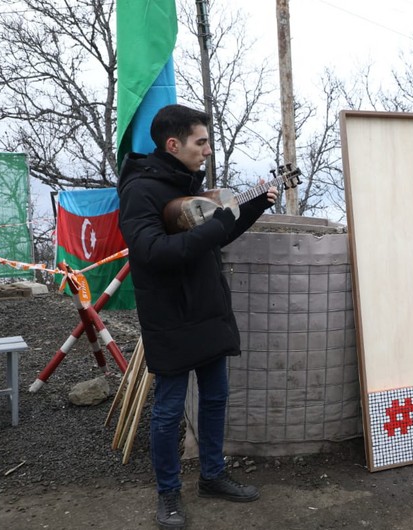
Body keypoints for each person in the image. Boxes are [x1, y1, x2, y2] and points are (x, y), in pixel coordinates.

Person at [117, 104, 278, 529]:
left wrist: (256, 205)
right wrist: (218, 223)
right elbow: (152, 254)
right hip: (170, 313)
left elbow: (214, 231)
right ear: (174, 144)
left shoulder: (188, 184)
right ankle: (168, 494)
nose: (207, 150)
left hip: (206, 305)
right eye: (200, 141)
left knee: (216, 397)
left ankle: (212, 476)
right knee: (169, 410)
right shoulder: (141, 191)